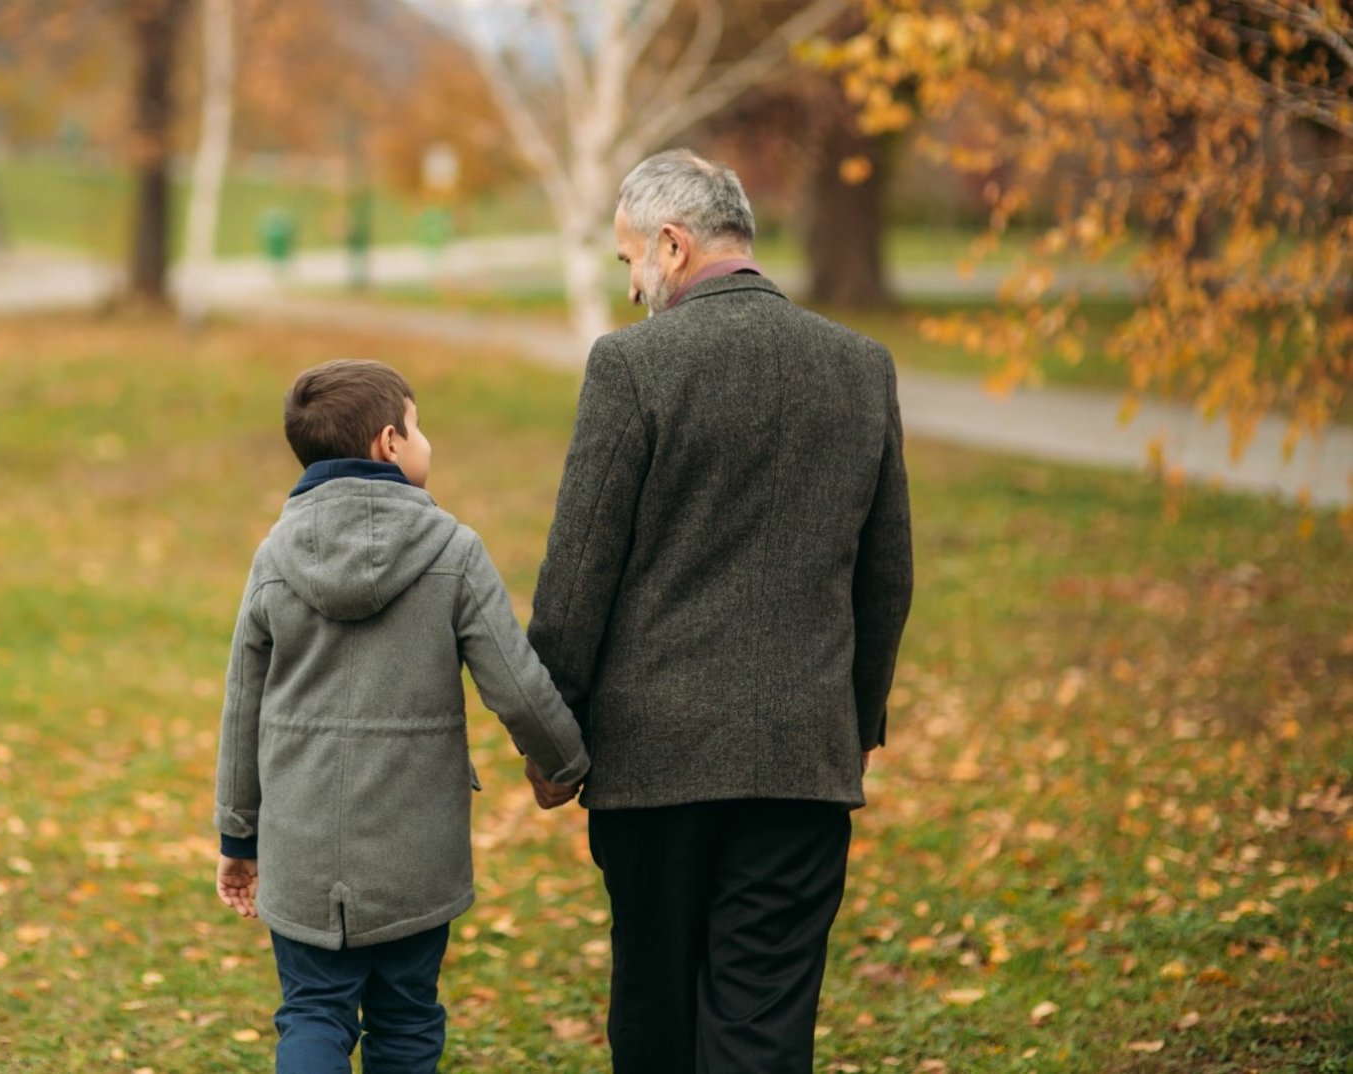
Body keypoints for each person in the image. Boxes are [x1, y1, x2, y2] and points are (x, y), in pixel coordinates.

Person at [524, 148, 915, 1072]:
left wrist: (552, 737)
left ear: (672, 243)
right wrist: (849, 725)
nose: (630, 288)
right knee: (763, 1029)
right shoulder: (862, 366)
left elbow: (579, 573)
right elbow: (886, 575)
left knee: (655, 1018)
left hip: (652, 766)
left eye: (629, 262)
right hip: (800, 762)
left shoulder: (632, 367)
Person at [212, 358, 590, 1073]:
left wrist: (238, 834)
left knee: (313, 1013)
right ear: (390, 442)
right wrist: (562, 761)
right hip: (415, 852)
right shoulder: (452, 549)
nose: (425, 440)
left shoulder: (274, 556)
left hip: (302, 846)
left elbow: (242, 707)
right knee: (408, 1018)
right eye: (419, 426)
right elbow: (514, 682)